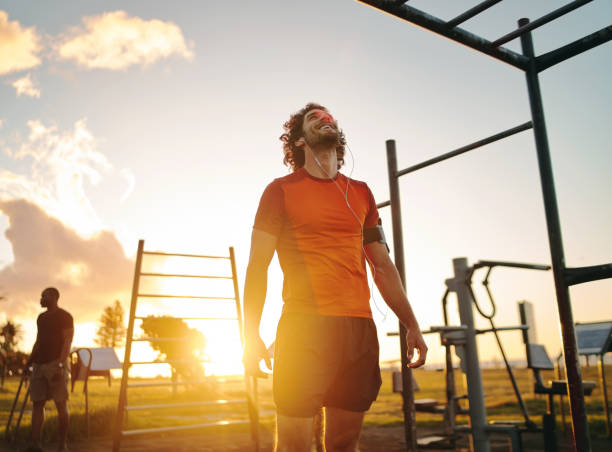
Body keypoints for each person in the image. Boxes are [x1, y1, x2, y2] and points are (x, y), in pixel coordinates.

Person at [243, 102, 427, 452]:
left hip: (357, 330)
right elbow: (257, 267)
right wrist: (250, 334)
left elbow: (383, 267)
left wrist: (411, 325)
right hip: (303, 328)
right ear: (299, 142)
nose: (325, 119)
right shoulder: (279, 191)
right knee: (294, 446)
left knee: (343, 444)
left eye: (329, 117)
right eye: (314, 118)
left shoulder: (361, 193)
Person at [23, 287, 74, 452]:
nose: (41, 299)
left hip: (55, 364)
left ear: (53, 297)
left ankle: (62, 444)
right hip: (39, 365)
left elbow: (67, 342)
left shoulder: (65, 316)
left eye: (43, 296)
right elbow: (38, 341)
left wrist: (60, 364)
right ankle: (35, 444)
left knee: (61, 403)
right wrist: (29, 362)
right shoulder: (41, 318)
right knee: (38, 403)